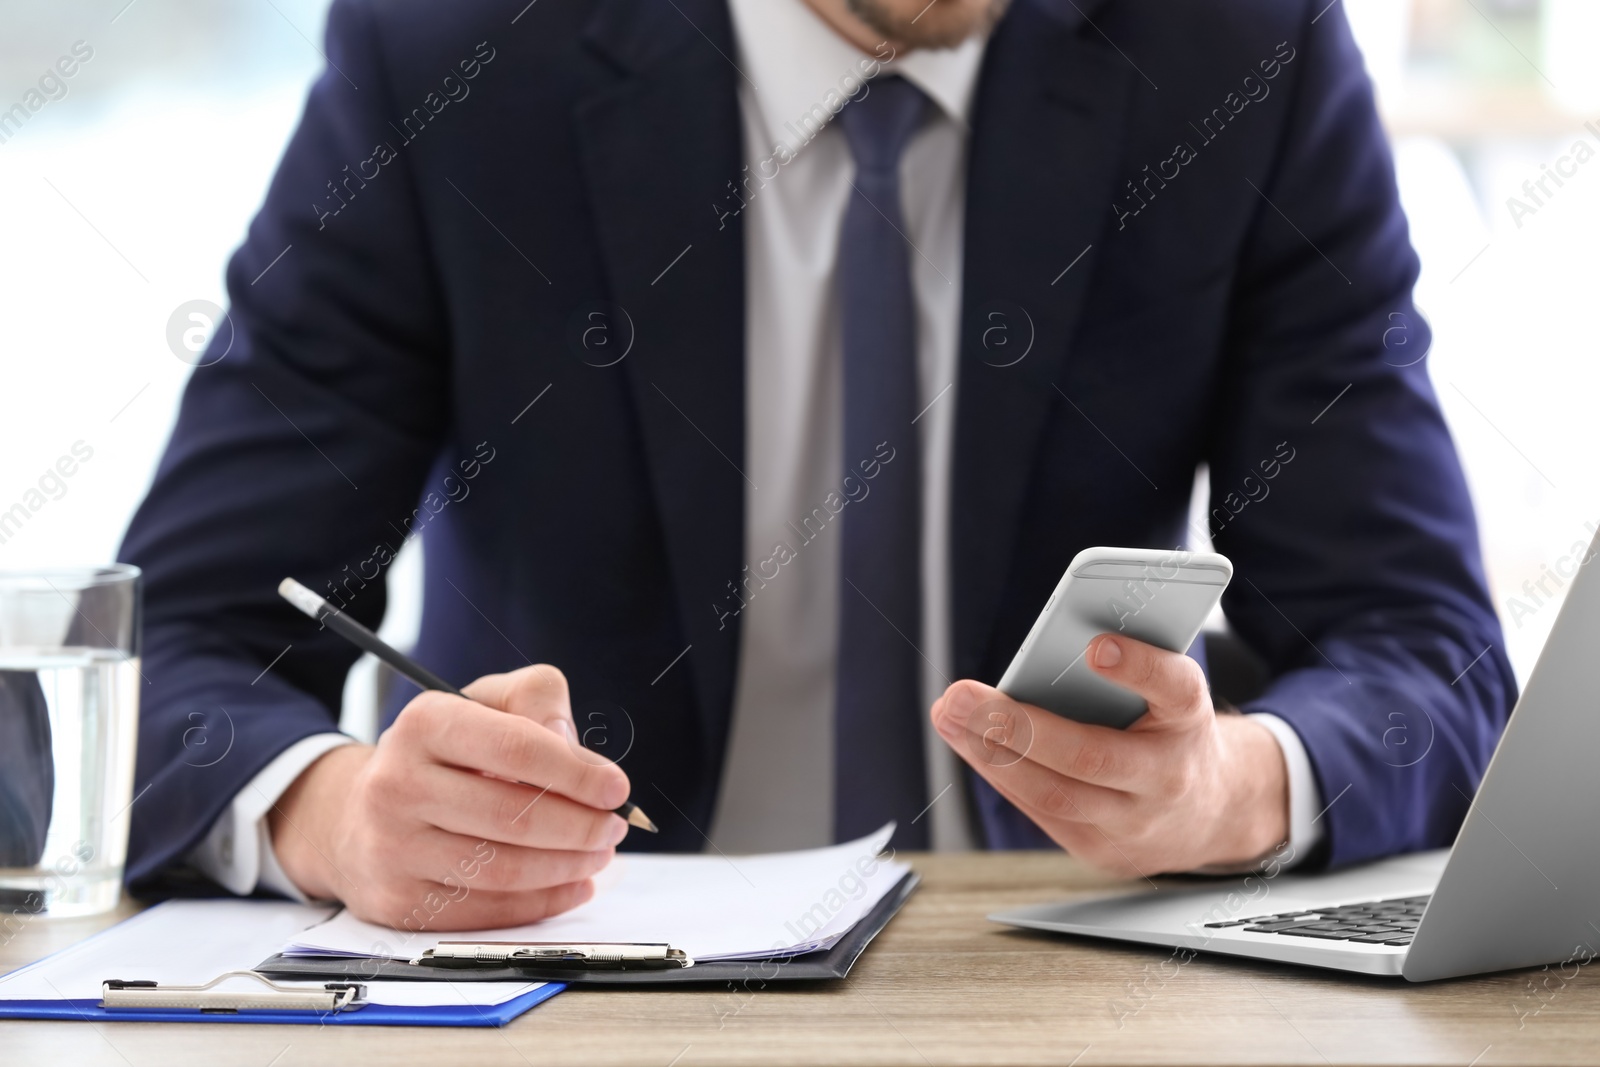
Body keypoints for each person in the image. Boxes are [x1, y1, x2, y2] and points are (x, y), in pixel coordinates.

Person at [119, 0, 1515, 930]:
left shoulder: (1241, 50)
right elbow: (172, 643)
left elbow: (1422, 646)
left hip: (1061, 984)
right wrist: (341, 818)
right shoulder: (457, 48)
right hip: (579, 983)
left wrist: (1234, 792)